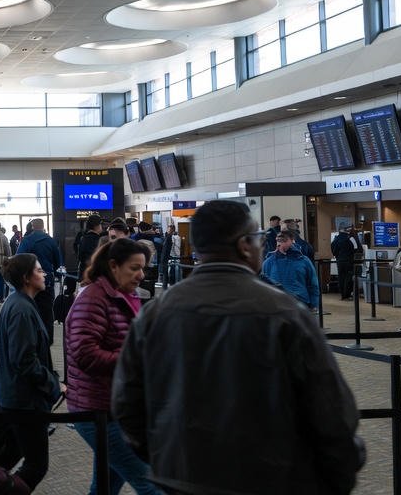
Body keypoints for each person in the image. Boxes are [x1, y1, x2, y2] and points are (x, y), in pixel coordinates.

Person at [113, 200, 364, 495]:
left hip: (181, 477)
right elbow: (331, 410)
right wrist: (336, 478)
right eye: (258, 238)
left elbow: (126, 400)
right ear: (245, 245)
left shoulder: (156, 313)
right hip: (269, 478)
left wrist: (166, 457)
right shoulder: (284, 313)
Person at [65, 238, 161, 495]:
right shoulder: (93, 299)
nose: (141, 275)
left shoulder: (124, 296)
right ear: (113, 266)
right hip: (98, 410)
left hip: (115, 407)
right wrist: (135, 359)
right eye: (134, 268)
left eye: (143, 268)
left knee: (105, 486)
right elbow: (85, 354)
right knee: (151, 485)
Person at [0, 252, 63, 491]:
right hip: (24, 402)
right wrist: (53, 384)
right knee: (36, 465)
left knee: (20, 462)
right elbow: (24, 360)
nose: (44, 274)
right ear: (26, 278)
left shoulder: (18, 303)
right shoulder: (21, 309)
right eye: (39, 270)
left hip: (18, 398)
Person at [16, 218, 62, 343]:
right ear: (43, 226)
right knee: (47, 311)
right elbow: (58, 263)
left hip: (30, 283)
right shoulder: (51, 241)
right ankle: (47, 339)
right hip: (47, 281)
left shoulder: (26, 240)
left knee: (29, 310)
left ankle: (31, 338)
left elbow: (18, 259)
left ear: (32, 226)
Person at [260, 230, 319, 311]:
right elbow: (264, 286)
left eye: (284, 240)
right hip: (276, 305)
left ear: (292, 241)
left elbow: (313, 284)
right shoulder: (268, 262)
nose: (280, 243)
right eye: (278, 240)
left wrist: (314, 304)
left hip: (300, 304)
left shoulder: (303, 261)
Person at [330, 226, 362, 300]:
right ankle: (347, 295)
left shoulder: (336, 239)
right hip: (348, 261)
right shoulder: (350, 238)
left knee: (341, 277)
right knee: (348, 277)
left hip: (339, 261)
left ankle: (342, 295)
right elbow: (356, 248)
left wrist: (336, 255)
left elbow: (332, 247)